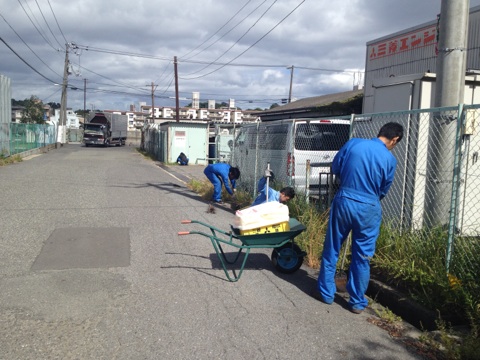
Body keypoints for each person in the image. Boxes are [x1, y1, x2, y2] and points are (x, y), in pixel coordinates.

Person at [312, 122, 403, 314]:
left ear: (380, 132)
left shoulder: (353, 144)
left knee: (333, 247)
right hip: (370, 206)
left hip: (345, 199)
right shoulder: (390, 159)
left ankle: (327, 294)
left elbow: (335, 168)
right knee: (362, 256)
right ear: (394, 140)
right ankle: (356, 302)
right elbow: (384, 190)